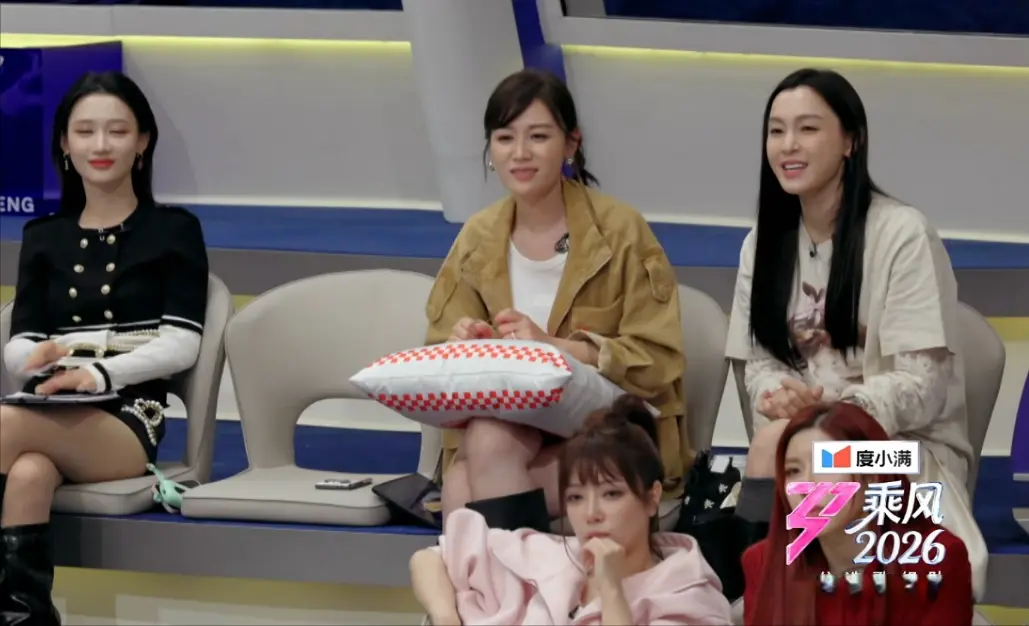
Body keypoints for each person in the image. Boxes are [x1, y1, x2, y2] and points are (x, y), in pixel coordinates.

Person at [723, 68, 986, 597]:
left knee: (809, 456)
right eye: (776, 130)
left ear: (851, 141)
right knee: (782, 450)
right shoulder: (762, 243)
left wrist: (828, 416)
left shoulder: (903, 234)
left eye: (807, 128)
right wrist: (779, 397)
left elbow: (922, 386)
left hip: (904, 449)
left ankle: (779, 592)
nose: (788, 145)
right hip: (792, 445)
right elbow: (759, 366)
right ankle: (767, 596)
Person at [425, 69, 687, 532]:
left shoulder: (621, 231)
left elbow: (660, 360)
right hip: (508, 434)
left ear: (571, 144)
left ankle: (494, 582)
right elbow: (436, 360)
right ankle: (519, 578)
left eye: (538, 136)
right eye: (505, 138)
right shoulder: (477, 237)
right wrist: (462, 344)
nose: (520, 153)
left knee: (469, 479)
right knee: (482, 448)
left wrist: (556, 348)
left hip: (610, 437)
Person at [0, 71, 209, 625]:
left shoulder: (174, 230)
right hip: (47, 406)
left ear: (142, 142)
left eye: (117, 131)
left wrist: (98, 377)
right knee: (28, 474)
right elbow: (21, 342)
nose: (100, 144)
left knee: (2, 425)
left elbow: (182, 344)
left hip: (126, 417)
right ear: (64, 144)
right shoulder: (43, 235)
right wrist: (32, 360)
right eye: (85, 131)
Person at [410, 396, 732, 626]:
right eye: (576, 497)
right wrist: (445, 617)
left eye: (611, 494)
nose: (591, 513)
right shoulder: (551, 554)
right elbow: (430, 559)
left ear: (651, 498)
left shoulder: (687, 595)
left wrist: (611, 590)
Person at [742, 402, 974, 626]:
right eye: (793, 470)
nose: (807, 486)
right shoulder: (762, 563)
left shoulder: (937, 560)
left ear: (873, 476)